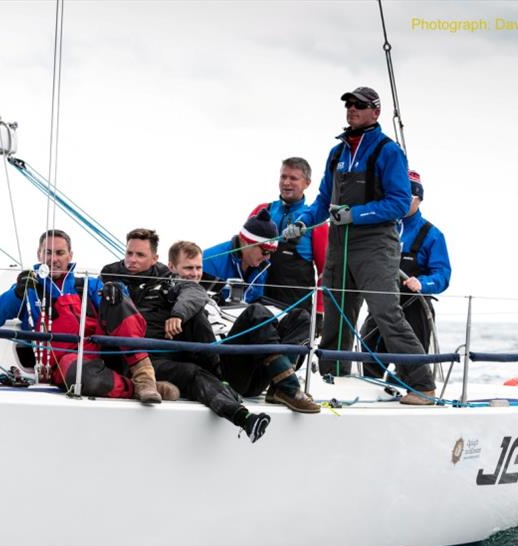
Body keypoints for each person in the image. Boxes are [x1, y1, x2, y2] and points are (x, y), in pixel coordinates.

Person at [282, 86, 436, 405]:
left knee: (385, 313)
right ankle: (331, 381)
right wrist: (302, 222)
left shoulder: (388, 151)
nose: (352, 109)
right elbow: (324, 201)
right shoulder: (337, 152)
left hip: (376, 247)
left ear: (375, 112)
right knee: (337, 316)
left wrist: (357, 214)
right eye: (349, 104)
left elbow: (398, 202)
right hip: (340, 245)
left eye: (359, 105)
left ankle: (423, 386)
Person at [100, 229, 269, 442]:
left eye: (140, 255)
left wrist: (178, 315)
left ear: (155, 259)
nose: (132, 260)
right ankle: (232, 403)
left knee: (196, 330)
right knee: (192, 373)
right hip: (133, 357)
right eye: (129, 253)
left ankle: (243, 416)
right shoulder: (111, 276)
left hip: (166, 355)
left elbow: (194, 291)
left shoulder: (165, 278)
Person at [0, 229, 178, 405]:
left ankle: (145, 379)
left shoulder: (87, 286)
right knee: (81, 376)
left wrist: (116, 290)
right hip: (61, 363)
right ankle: (134, 389)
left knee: (117, 299)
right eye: (48, 252)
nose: (53, 259)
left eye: (59, 253)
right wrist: (17, 293)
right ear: (39, 254)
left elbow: (121, 311)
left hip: (100, 352)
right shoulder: (28, 289)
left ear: (70, 255)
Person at [172, 234, 320, 414]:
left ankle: (280, 386)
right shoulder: (173, 293)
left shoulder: (211, 293)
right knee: (256, 312)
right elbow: (186, 298)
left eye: (198, 267)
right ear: (172, 267)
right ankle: (288, 387)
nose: (194, 274)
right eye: (188, 268)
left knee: (301, 317)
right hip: (219, 372)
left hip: (247, 373)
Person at [360, 170, 451, 378]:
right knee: (368, 354)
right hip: (383, 303)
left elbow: (443, 274)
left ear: (419, 199)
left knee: (412, 364)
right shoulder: (380, 229)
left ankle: (412, 389)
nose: (402, 202)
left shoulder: (432, 235)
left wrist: (422, 283)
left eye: (407, 198)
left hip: (415, 306)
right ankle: (368, 389)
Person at [248, 157, 328, 332]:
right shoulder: (262, 211)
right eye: (283, 177)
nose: (286, 183)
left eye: (293, 178)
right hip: (257, 301)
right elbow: (242, 252)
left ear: (307, 183)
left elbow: (325, 270)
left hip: (295, 305)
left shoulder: (316, 221)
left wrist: (320, 310)